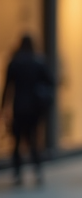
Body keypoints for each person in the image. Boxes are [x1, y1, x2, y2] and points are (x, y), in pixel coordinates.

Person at [2, 35, 54, 187]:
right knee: (32, 140)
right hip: (34, 108)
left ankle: (18, 173)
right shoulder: (38, 61)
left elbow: (7, 86)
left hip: (19, 106)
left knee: (17, 141)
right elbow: (50, 81)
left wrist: (3, 107)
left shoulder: (15, 62)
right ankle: (37, 170)